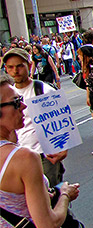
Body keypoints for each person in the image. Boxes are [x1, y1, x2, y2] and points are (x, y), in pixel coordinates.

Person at [0, 74, 81, 228]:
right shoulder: (23, 158)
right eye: (16, 103)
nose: (24, 106)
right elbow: (47, 226)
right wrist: (64, 195)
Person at [2, 48, 67, 186]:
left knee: (53, 199)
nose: (15, 71)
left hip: (44, 155)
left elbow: (61, 120)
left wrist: (63, 148)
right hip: (17, 156)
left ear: (29, 66)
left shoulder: (44, 90)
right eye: (10, 67)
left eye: (20, 66)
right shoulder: (6, 95)